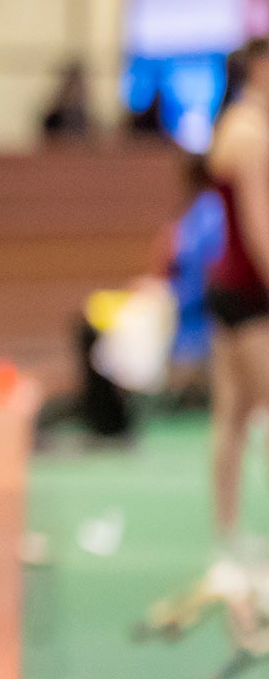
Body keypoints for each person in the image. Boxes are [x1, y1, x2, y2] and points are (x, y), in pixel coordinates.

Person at [204, 38, 269, 567]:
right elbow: (257, 226)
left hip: (230, 287)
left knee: (232, 416)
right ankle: (231, 539)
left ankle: (227, 539)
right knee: (253, 415)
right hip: (250, 291)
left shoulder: (237, 124)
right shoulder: (249, 132)